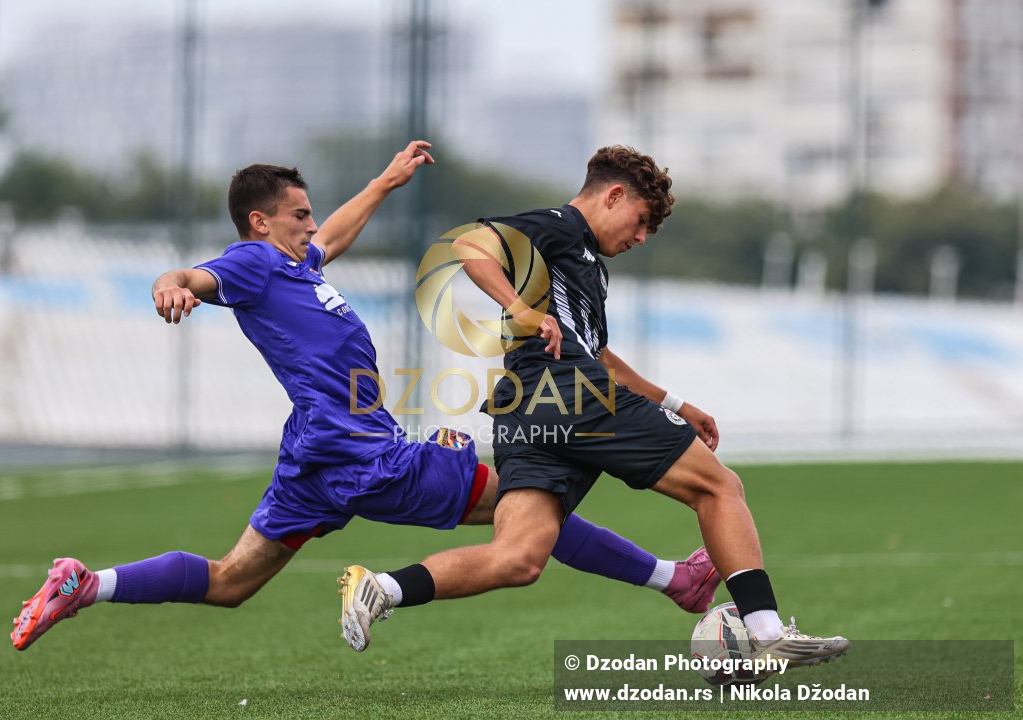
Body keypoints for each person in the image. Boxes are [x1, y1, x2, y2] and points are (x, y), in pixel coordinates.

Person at [10, 141, 721, 652]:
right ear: (261, 222)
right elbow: (199, 275)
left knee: (231, 582)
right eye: (299, 215)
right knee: (526, 506)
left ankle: (86, 584)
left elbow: (336, 238)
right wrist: (174, 282)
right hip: (356, 451)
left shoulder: (297, 267)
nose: (312, 226)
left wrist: (383, 183)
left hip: (315, 455)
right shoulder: (256, 262)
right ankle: (673, 579)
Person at [340, 145, 849, 668]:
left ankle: (381, 588)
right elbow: (471, 246)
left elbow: (598, 356)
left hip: (527, 410)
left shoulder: (586, 268)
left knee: (518, 558)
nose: (641, 237)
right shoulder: (560, 226)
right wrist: (518, 307)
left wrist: (674, 403)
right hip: (568, 394)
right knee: (719, 486)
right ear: (613, 196)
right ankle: (765, 630)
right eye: (642, 220)